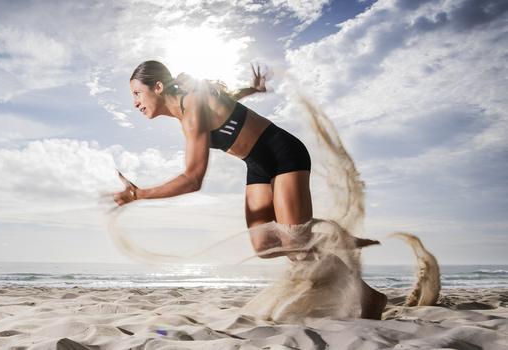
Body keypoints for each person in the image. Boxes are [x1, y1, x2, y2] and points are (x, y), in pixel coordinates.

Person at [113, 60, 387, 319]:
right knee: (264, 245)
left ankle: (369, 297)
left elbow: (193, 178)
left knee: (295, 243)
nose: (135, 102)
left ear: (157, 87)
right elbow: (227, 96)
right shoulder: (189, 106)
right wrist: (253, 90)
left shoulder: (192, 109)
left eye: (137, 93)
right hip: (256, 164)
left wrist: (140, 194)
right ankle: (329, 239)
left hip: (284, 155)